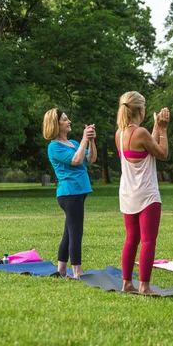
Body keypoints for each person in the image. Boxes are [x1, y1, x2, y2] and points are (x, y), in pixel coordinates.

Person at [115, 91, 169, 294]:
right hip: (147, 195)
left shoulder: (120, 134)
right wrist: (163, 130)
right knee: (148, 240)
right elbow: (161, 153)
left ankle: (127, 283)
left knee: (131, 239)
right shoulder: (141, 133)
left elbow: (148, 148)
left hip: (128, 194)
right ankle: (144, 286)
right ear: (140, 110)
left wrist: (155, 128)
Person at [42, 108, 97, 278]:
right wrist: (83, 140)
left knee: (69, 232)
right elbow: (76, 160)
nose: (69, 121)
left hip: (79, 192)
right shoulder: (54, 147)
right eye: (65, 119)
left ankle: (61, 269)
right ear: (56, 124)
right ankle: (77, 271)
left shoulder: (73, 143)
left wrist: (91, 141)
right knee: (76, 232)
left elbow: (90, 159)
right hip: (69, 193)